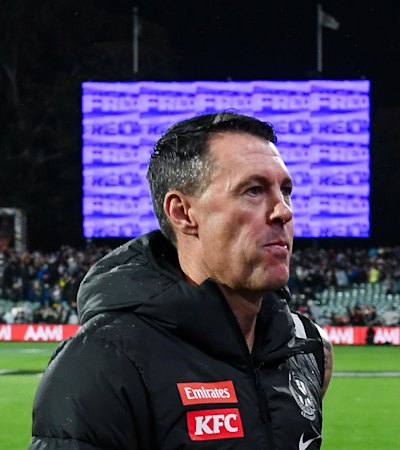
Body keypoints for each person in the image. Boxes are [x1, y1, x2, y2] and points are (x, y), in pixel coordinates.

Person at [30, 112, 333, 449]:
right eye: (253, 190)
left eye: (285, 191)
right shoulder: (102, 363)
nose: (284, 211)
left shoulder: (305, 348)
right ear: (182, 212)